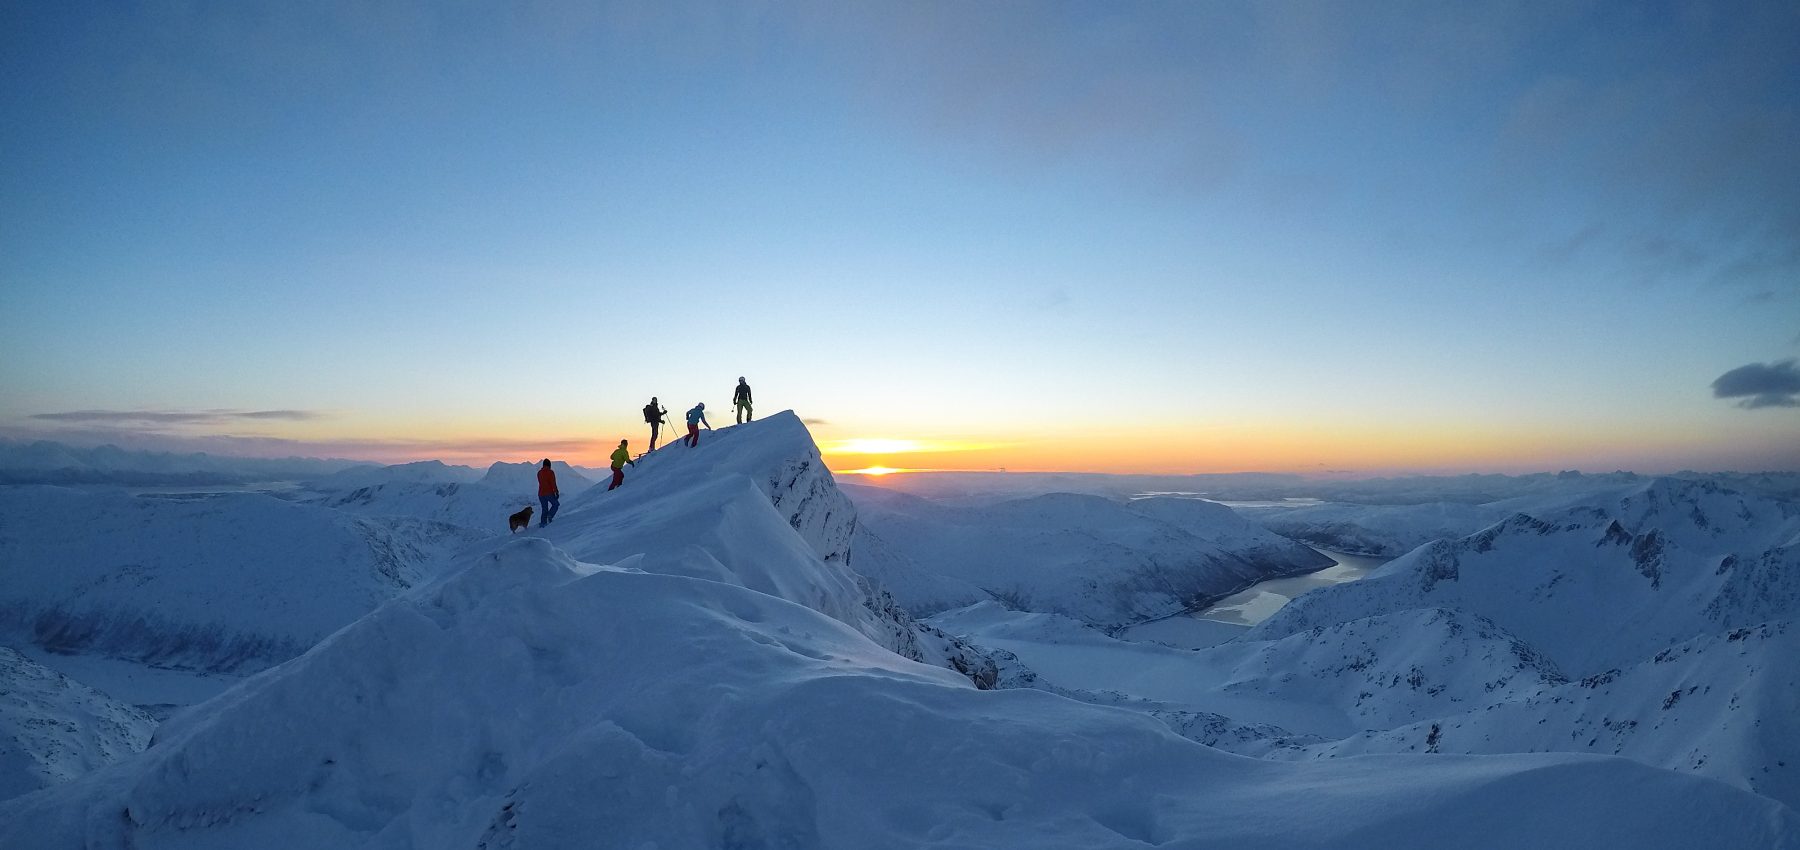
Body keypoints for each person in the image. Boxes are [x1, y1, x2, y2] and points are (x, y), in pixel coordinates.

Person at [536, 459, 559, 526]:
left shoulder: (539, 473)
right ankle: (550, 515)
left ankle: (543, 523)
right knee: (556, 504)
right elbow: (553, 483)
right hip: (549, 493)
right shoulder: (550, 472)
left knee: (544, 509)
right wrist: (556, 492)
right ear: (549, 465)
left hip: (540, 494)